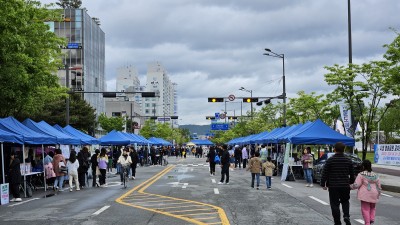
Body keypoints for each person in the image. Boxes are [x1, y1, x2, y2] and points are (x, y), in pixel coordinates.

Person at [320, 142, 354, 225]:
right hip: (345, 185)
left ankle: (337, 222)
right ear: (344, 149)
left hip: (333, 185)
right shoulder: (348, 160)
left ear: (334, 149)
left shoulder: (330, 160)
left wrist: (323, 183)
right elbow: (352, 174)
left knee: (334, 204)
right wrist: (351, 182)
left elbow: (325, 173)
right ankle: (346, 216)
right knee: (345, 201)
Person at [350, 160, 381, 225]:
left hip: (365, 195)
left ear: (363, 166)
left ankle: (367, 223)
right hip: (374, 194)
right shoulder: (376, 175)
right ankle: (371, 221)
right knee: (373, 208)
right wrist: (378, 194)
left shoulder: (361, 174)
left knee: (365, 209)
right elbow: (379, 186)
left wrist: (350, 187)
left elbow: (356, 185)